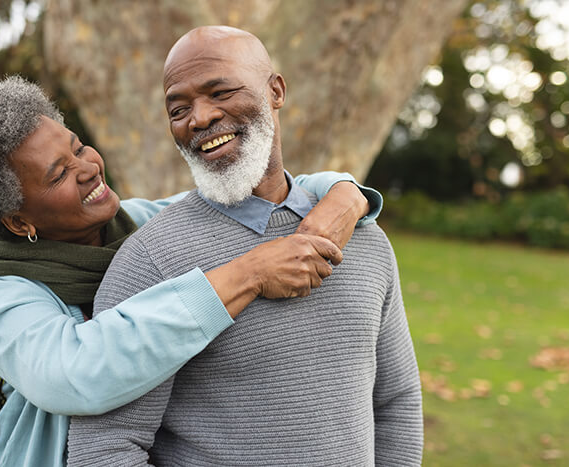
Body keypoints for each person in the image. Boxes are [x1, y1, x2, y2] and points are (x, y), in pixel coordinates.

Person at [0, 76, 383, 466]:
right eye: (58, 175)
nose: (87, 168)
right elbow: (77, 373)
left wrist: (345, 191)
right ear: (19, 222)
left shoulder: (145, 225)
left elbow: (265, 191)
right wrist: (248, 274)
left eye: (78, 147)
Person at [67, 26, 423, 466]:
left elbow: (396, 401)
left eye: (220, 92)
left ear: (276, 90)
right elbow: (104, 446)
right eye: (178, 108)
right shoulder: (149, 260)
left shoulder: (364, 236)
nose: (199, 118)